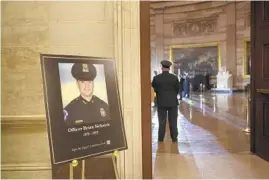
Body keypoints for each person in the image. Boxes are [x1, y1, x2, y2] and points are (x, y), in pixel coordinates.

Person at [151, 60, 180, 143]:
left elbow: (154, 87)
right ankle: (174, 138)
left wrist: (159, 93)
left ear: (162, 67)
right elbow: (178, 89)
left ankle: (160, 138)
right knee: (173, 121)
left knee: (161, 121)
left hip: (161, 102)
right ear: (169, 68)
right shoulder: (174, 77)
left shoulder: (156, 78)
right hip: (172, 102)